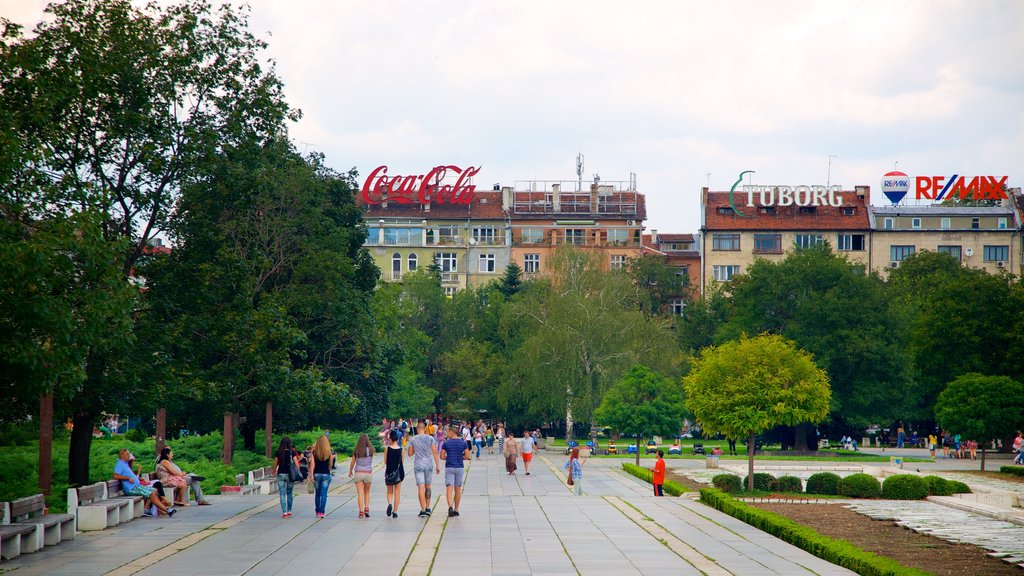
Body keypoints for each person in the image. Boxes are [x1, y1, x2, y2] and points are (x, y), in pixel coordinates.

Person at [114, 449, 174, 517]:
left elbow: (130, 474)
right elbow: (116, 476)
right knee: (152, 492)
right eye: (127, 454)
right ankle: (167, 510)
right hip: (131, 488)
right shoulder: (119, 464)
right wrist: (127, 478)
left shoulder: (125, 464)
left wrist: (137, 478)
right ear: (122, 455)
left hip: (136, 486)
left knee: (154, 490)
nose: (129, 456)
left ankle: (149, 509)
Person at [408, 421, 441, 518]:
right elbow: (435, 452)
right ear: (425, 429)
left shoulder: (413, 439)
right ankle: (428, 508)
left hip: (418, 464)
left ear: (418, 429)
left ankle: (422, 510)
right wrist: (438, 465)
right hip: (428, 464)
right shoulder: (430, 438)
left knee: (420, 487)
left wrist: (415, 448)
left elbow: (409, 454)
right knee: (428, 486)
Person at [440, 428, 470, 517]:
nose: (447, 434)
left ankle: (450, 506)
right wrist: (461, 457)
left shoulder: (446, 443)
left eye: (448, 432)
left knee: (449, 487)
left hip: (449, 467)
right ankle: (456, 509)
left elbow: (442, 456)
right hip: (459, 467)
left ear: (452, 432)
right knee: (458, 489)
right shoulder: (463, 443)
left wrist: (448, 458)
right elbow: (467, 456)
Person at [348, 433, 374, 518]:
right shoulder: (371, 450)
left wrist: (350, 471)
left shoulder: (357, 451)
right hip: (368, 473)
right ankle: (367, 508)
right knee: (367, 492)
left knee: (360, 493)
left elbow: (352, 463)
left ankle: (361, 512)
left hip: (358, 473)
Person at [274, 437, 300, 518]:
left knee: (282, 493)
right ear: (289, 443)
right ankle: (289, 511)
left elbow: (275, 464)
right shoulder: (292, 452)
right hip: (290, 475)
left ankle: (284, 512)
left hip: (281, 474)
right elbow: (296, 464)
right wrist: (297, 472)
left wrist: (273, 470)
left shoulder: (278, 452)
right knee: (289, 493)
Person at [310, 435, 332, 519]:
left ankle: (317, 511)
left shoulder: (314, 452)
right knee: (324, 494)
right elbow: (330, 465)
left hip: (316, 474)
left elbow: (312, 464)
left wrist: (312, 475)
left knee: (317, 494)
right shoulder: (328, 452)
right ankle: (322, 512)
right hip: (326, 474)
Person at [384, 430, 405, 518]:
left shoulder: (387, 448)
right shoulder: (402, 450)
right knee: (397, 492)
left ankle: (389, 503)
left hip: (389, 471)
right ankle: (395, 512)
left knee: (389, 491)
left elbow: (385, 461)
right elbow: (402, 462)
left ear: (390, 439)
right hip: (399, 473)